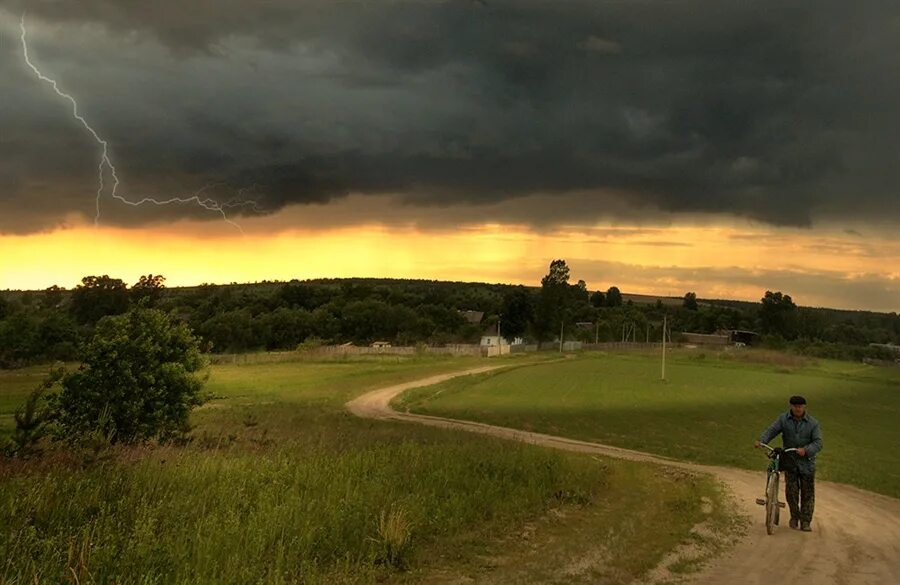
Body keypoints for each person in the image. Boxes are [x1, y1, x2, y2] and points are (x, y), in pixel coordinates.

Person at [754, 395, 823, 532]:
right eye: (795, 406)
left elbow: (818, 443)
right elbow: (772, 430)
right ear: (791, 406)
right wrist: (762, 441)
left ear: (804, 407)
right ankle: (794, 517)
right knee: (791, 492)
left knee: (807, 493)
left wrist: (806, 450)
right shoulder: (783, 419)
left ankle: (805, 521)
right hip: (790, 460)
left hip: (807, 463)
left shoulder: (813, 424)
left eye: (800, 406)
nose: (798, 409)